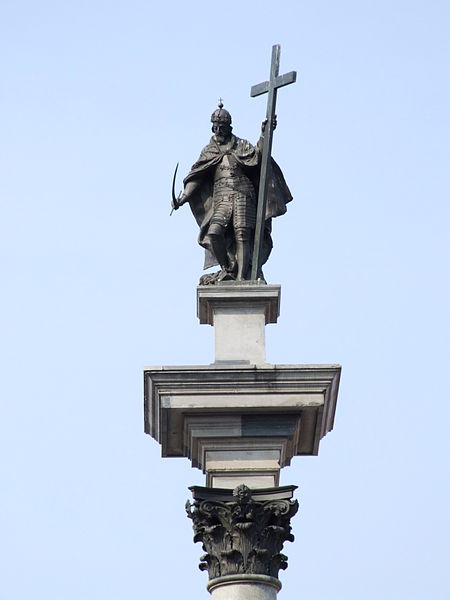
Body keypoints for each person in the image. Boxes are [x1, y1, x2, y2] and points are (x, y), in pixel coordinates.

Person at [172, 102, 292, 282]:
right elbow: (197, 177)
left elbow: (258, 155)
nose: (218, 130)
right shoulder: (209, 151)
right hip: (222, 197)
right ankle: (227, 268)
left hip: (244, 193)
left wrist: (264, 133)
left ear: (229, 127)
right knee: (214, 233)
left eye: (222, 127)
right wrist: (182, 198)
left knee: (242, 234)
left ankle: (242, 277)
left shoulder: (241, 145)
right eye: (216, 127)